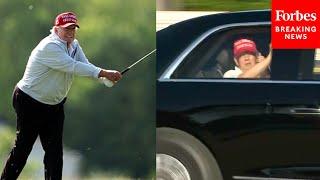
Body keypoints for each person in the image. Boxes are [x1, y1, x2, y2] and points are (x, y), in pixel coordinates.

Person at [1, 12, 122, 180]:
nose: (71, 32)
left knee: (54, 153)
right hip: (29, 101)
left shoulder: (74, 45)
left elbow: (85, 66)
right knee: (23, 148)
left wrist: (104, 79)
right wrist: (104, 73)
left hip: (54, 104)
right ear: (56, 29)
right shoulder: (49, 46)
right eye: (66, 29)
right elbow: (72, 66)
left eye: (73, 28)